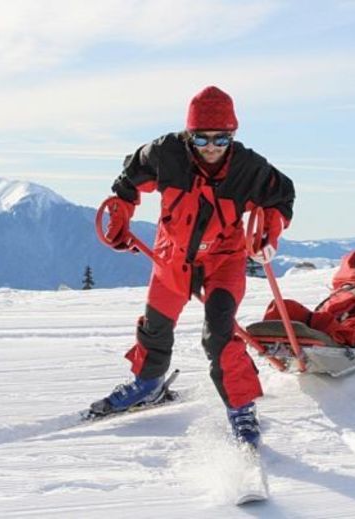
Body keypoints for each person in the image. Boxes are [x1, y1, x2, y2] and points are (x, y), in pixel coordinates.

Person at [94, 86, 295, 448]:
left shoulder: (249, 168)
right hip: (172, 257)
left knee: (219, 335)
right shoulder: (164, 154)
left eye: (222, 138)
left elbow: (281, 197)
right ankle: (148, 384)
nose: (211, 147)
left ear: (233, 134)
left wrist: (269, 232)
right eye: (201, 138)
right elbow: (128, 181)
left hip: (224, 260)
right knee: (155, 327)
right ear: (188, 134)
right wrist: (120, 217)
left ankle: (240, 407)